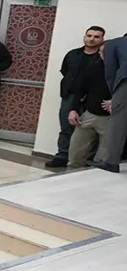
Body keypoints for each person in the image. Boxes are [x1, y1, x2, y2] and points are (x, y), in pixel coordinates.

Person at [47, 26, 106, 169]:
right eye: (89, 35)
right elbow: (65, 71)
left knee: (89, 130)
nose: (92, 39)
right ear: (85, 36)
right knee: (66, 127)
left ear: (102, 39)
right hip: (71, 95)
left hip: (92, 98)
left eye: (96, 37)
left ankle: (86, 159)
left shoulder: (102, 57)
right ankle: (62, 155)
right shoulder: (73, 54)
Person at [66, 44, 112, 169]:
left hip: (111, 118)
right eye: (100, 52)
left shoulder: (122, 69)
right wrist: (73, 110)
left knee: (103, 159)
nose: (101, 55)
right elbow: (80, 90)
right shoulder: (94, 67)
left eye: (105, 52)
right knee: (76, 153)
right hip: (89, 113)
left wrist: (117, 101)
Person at [94, 31, 127, 173]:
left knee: (119, 122)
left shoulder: (114, 43)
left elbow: (110, 71)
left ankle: (111, 162)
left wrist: (115, 95)